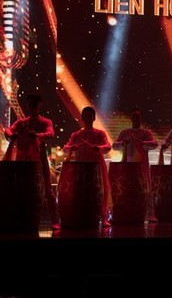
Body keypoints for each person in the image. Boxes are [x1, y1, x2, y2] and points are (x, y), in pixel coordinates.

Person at [4, 93, 61, 230]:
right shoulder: (22, 123)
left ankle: (55, 221)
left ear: (40, 105)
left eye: (35, 104)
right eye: (30, 104)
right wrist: (12, 135)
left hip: (40, 160)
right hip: (23, 160)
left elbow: (50, 133)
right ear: (28, 105)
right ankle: (21, 219)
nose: (32, 106)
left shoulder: (45, 122)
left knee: (47, 188)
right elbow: (8, 130)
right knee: (21, 189)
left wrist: (37, 135)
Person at [63, 106, 113, 227]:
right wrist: (72, 148)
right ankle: (81, 216)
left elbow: (108, 146)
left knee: (99, 193)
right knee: (80, 193)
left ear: (94, 118)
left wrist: (99, 148)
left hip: (96, 169)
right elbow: (65, 148)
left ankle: (103, 217)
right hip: (80, 169)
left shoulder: (100, 134)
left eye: (89, 116)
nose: (87, 119)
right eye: (85, 116)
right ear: (82, 118)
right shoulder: (76, 135)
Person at [112, 108, 159, 223]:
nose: (136, 118)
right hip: (128, 165)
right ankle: (126, 212)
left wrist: (142, 143)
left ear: (141, 118)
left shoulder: (146, 133)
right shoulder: (125, 132)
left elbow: (154, 144)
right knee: (127, 188)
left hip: (142, 164)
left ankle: (150, 214)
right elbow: (114, 145)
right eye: (134, 116)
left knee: (146, 187)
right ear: (131, 118)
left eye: (138, 116)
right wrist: (123, 143)